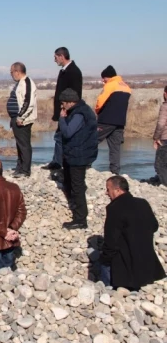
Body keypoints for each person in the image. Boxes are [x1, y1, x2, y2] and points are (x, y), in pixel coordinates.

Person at [99, 176, 166, 290]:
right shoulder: (143, 203)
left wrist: (104, 259)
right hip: (147, 262)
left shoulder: (114, 208)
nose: (106, 193)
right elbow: (154, 226)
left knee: (103, 263)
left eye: (108, 189)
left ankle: (107, 290)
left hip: (126, 269)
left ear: (118, 190)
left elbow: (111, 240)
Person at [58, 88, 98, 230]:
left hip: (78, 155)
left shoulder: (79, 114)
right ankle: (76, 207)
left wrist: (62, 119)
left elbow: (68, 132)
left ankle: (80, 219)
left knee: (78, 186)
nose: (62, 106)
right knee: (72, 183)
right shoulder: (81, 109)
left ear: (70, 102)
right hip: (76, 153)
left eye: (63, 103)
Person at [43, 47, 83, 171]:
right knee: (61, 136)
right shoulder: (65, 71)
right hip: (64, 109)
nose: (54, 60)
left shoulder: (73, 71)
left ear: (61, 56)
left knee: (61, 136)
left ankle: (59, 162)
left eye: (55, 57)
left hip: (68, 110)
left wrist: (67, 109)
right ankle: (59, 161)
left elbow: (75, 93)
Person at [95, 65, 131, 175]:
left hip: (106, 120)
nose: (103, 80)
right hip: (120, 122)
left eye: (103, 78)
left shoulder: (110, 85)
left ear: (109, 77)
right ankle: (115, 172)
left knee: (91, 139)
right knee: (115, 147)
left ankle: (85, 165)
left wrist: (97, 111)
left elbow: (100, 101)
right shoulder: (126, 87)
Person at [7, 62, 37, 178]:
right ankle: (20, 167)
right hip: (16, 118)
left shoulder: (27, 83)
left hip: (23, 120)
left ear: (17, 72)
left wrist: (20, 117)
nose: (11, 75)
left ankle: (25, 170)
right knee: (19, 144)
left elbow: (28, 102)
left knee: (24, 145)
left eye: (11, 72)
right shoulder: (20, 83)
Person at [152, 85, 167, 186]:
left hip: (165, 138)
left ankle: (165, 185)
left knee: (160, 164)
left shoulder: (165, 106)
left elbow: (161, 123)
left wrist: (156, 138)